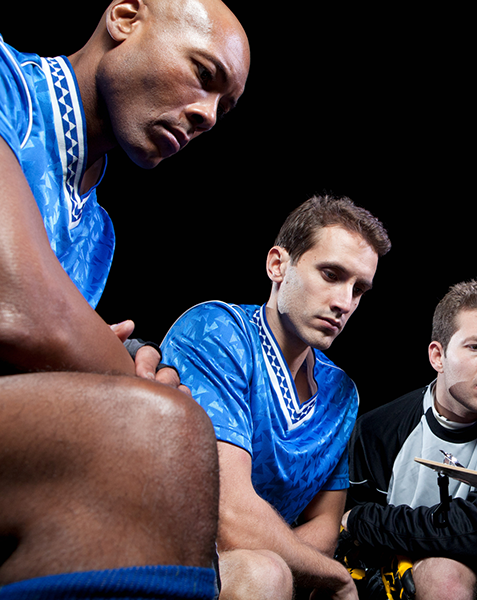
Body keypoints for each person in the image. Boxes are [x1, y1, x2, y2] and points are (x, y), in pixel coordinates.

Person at [0, 1, 249, 598]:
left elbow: (52, 349)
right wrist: (128, 384)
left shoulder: (99, 232)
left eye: (224, 107)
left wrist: (110, 366)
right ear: (125, 18)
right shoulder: (7, 82)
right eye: (204, 75)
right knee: (164, 430)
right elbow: (21, 309)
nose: (207, 116)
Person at [161, 195, 391, 600]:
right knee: (265, 573)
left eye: (359, 290)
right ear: (278, 265)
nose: (344, 303)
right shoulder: (217, 331)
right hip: (167, 553)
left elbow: (324, 529)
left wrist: (301, 559)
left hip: (264, 572)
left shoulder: (342, 394)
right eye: (331, 274)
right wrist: (335, 577)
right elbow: (229, 516)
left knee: (270, 571)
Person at [342, 278, 477, 600]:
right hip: (392, 581)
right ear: (438, 356)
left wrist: (361, 520)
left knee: (444, 575)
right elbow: (353, 548)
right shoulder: (379, 429)